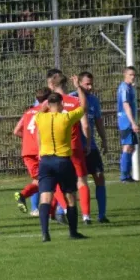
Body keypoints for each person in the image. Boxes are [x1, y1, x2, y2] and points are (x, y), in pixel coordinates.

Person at [35, 76, 88, 242]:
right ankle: (73, 232)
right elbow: (83, 106)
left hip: (46, 162)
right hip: (63, 161)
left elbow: (40, 109)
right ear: (61, 104)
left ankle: (45, 233)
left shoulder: (40, 118)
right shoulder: (65, 118)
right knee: (70, 196)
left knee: (45, 197)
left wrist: (46, 103)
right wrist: (78, 87)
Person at [46, 69, 93, 225]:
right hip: (74, 146)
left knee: (57, 181)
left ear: (53, 85)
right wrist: (87, 144)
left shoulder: (49, 104)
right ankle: (86, 216)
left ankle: (66, 209)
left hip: (57, 149)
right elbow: (85, 125)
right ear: (66, 85)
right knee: (81, 181)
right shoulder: (74, 101)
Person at [70, 72, 109, 223]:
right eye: (87, 84)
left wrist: (104, 140)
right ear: (78, 83)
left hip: (91, 147)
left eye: (91, 83)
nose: (90, 87)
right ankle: (77, 214)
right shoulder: (71, 98)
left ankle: (102, 215)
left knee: (99, 177)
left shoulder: (94, 100)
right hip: (76, 148)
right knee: (77, 181)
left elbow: (98, 122)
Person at [13, 87, 51, 216]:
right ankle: (23, 195)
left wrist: (28, 138)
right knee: (47, 180)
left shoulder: (28, 112)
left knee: (38, 180)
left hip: (27, 151)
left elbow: (16, 131)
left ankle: (38, 209)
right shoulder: (46, 112)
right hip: (40, 150)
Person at [117, 66, 139, 183]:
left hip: (128, 121)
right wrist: (133, 123)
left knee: (131, 147)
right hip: (126, 121)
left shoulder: (129, 87)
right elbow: (126, 105)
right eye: (130, 75)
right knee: (128, 146)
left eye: (134, 75)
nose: (133, 77)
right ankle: (124, 176)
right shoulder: (124, 88)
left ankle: (126, 174)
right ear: (124, 75)